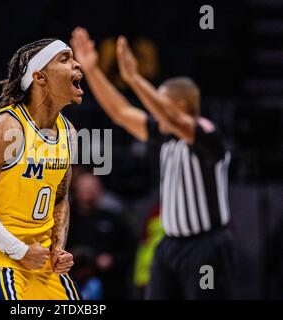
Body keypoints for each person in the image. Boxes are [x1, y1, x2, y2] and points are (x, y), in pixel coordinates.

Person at [71, 27, 235, 299]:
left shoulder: (208, 135)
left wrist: (135, 78)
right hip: (169, 246)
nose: (153, 108)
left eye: (160, 101)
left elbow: (172, 118)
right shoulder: (166, 135)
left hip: (207, 247)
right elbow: (121, 112)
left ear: (181, 105)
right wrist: (92, 72)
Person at [0, 38, 83, 300]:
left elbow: (59, 199)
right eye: (65, 59)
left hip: (39, 258)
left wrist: (57, 248)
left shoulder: (68, 132)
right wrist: (18, 250)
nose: (77, 64)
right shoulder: (6, 128)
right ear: (39, 76)